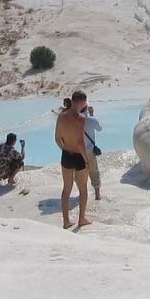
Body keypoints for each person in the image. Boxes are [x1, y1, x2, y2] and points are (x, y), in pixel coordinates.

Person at [55, 90, 92, 228]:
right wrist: (86, 160)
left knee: (67, 188)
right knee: (83, 189)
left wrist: (64, 149)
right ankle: (81, 219)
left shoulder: (61, 116)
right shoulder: (81, 118)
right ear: (81, 102)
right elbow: (80, 142)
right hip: (78, 156)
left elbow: (57, 139)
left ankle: (66, 221)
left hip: (66, 154)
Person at [82, 105, 103, 200]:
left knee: (81, 173)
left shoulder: (74, 120)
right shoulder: (91, 120)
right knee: (94, 172)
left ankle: (82, 194)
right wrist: (92, 114)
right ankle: (97, 195)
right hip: (90, 151)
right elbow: (100, 128)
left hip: (78, 152)